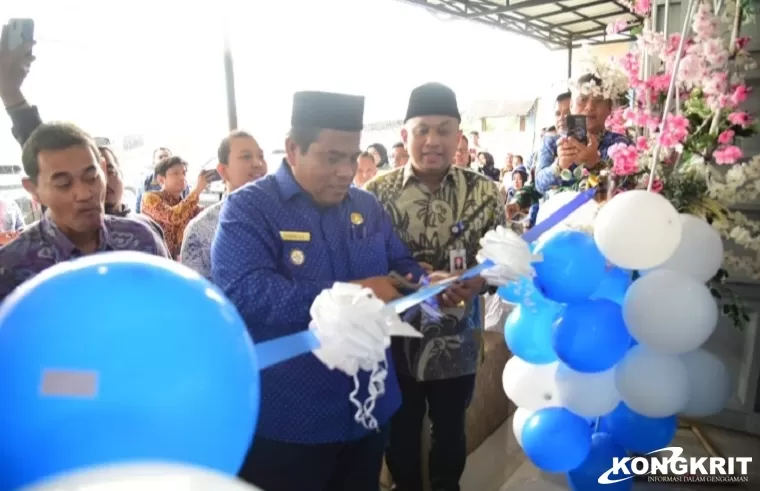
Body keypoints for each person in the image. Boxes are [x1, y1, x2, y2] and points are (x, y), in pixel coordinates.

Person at [211, 90, 428, 491]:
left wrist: (430, 286)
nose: (347, 170)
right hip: (291, 419)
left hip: (368, 409)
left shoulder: (366, 206)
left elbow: (401, 266)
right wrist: (352, 293)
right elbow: (245, 291)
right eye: (333, 158)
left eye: (352, 157)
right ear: (293, 149)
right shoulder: (250, 209)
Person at [365, 82, 505, 491]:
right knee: (400, 433)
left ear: (458, 137)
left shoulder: (484, 192)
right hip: (395, 345)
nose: (432, 140)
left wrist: (475, 281)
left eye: (444, 129)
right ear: (405, 135)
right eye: (423, 129)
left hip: (456, 341)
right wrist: (407, 279)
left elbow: (504, 260)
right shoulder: (375, 196)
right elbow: (363, 267)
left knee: (450, 433)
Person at [0, 123, 169, 301]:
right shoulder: (12, 267)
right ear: (33, 190)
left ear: (103, 170)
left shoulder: (140, 241)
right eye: (64, 184)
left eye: (91, 177)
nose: (84, 194)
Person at [180, 130, 267, 279]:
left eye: (261, 156)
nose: (257, 163)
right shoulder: (201, 229)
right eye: (246, 156)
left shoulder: (284, 218)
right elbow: (195, 296)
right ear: (223, 171)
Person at [535, 81, 629, 194]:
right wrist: (558, 166)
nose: (589, 107)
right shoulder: (552, 142)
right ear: (571, 106)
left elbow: (627, 187)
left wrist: (595, 164)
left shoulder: (620, 144)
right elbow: (539, 186)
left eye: (598, 100)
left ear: (610, 108)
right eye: (582, 99)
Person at [140, 156, 207, 259]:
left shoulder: (188, 205)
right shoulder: (150, 198)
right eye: (175, 173)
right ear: (161, 179)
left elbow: (208, 217)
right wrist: (197, 190)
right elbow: (173, 216)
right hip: (155, 261)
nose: (182, 177)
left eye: (184, 173)